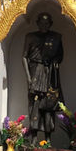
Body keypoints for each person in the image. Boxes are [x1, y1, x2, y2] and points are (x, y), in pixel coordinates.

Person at [22, 13, 63, 141]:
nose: (44, 25)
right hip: (35, 72)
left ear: (50, 24)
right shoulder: (30, 37)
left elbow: (60, 56)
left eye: (47, 23)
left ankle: (48, 138)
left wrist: (54, 61)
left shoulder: (55, 38)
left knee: (48, 105)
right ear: (37, 23)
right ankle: (34, 138)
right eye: (41, 22)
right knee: (35, 104)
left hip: (49, 72)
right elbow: (24, 56)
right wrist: (28, 78)